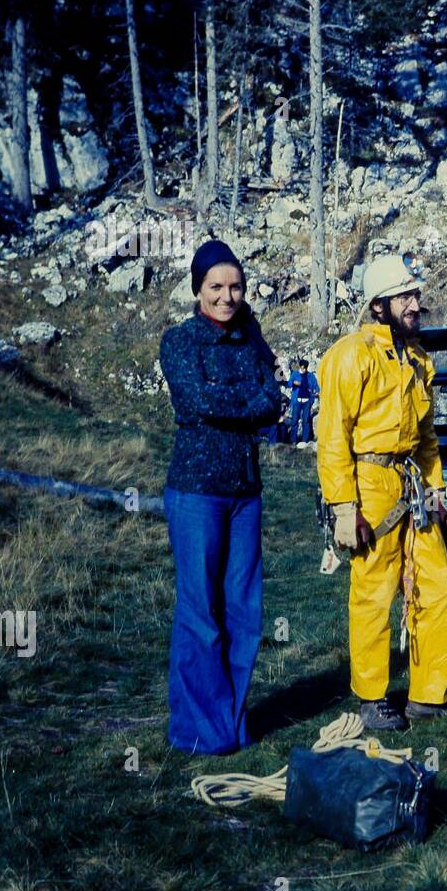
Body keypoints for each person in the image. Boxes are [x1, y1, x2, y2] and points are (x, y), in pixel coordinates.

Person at [316, 254, 447, 730]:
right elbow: (332, 437)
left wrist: (436, 490)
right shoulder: (351, 356)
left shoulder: (418, 358)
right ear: (379, 304)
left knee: (441, 587)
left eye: (415, 295)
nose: (415, 304)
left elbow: (426, 438)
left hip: (411, 484)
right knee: (373, 590)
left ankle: (430, 693)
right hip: (369, 485)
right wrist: (345, 508)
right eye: (405, 297)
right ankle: (371, 695)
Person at [158, 239, 283, 754]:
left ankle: (230, 724)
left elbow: (273, 402)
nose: (227, 297)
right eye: (216, 286)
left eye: (235, 287)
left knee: (243, 612)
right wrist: (246, 401)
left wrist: (240, 400)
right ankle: (197, 732)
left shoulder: (251, 339)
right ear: (197, 289)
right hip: (196, 491)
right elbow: (194, 401)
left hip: (244, 492)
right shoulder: (180, 341)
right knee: (200, 613)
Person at [288, 357, 319, 446]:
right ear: (300, 367)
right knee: (294, 421)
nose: (304, 369)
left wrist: (317, 392)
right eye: (302, 368)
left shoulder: (310, 376)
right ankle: (293, 441)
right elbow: (289, 384)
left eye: (305, 368)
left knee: (306, 421)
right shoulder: (295, 374)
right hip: (297, 401)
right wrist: (294, 383)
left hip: (307, 401)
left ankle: (305, 442)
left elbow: (316, 386)